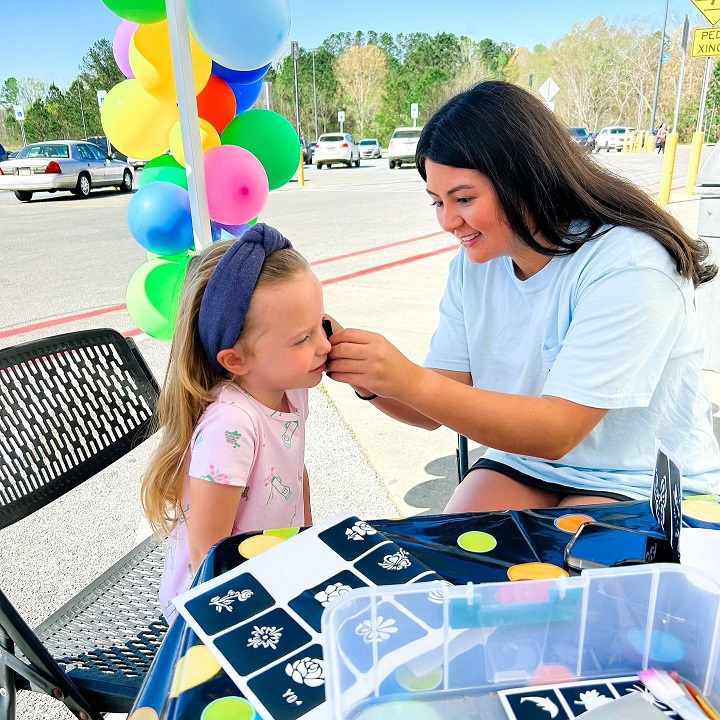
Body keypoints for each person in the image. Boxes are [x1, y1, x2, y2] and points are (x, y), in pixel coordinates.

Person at [326, 81, 720, 513]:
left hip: (638, 475)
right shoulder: (475, 263)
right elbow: (431, 407)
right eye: (436, 201)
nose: (447, 220)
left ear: (526, 179)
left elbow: (557, 431)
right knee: (458, 553)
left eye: (463, 198)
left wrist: (408, 379)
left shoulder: (630, 261)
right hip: (525, 462)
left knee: (574, 569)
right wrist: (365, 376)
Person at [142, 224, 331, 622]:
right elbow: (207, 555)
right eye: (303, 339)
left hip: (271, 568)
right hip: (216, 602)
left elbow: (295, 473)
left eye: (322, 325)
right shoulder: (231, 427)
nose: (325, 346)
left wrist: (308, 543)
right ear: (235, 360)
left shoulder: (291, 387)